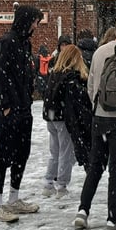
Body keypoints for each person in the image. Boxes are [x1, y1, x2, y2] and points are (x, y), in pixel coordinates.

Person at [72, 14, 116, 230]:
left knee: (95, 166)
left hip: (101, 117)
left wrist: (98, 107)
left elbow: (92, 84)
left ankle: (83, 211)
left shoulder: (100, 51)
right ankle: (113, 218)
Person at [0, 5, 44, 223]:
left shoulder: (24, 44)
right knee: (4, 155)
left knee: (23, 152)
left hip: (23, 106)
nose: (36, 26)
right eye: (35, 21)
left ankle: (14, 198)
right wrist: (5, 105)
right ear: (26, 21)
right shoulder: (7, 43)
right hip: (9, 108)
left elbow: (24, 75)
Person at [41, 44, 91, 198]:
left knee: (55, 152)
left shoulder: (55, 74)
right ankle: (61, 186)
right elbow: (74, 101)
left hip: (51, 116)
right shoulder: (70, 77)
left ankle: (48, 182)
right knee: (65, 152)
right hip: (63, 118)